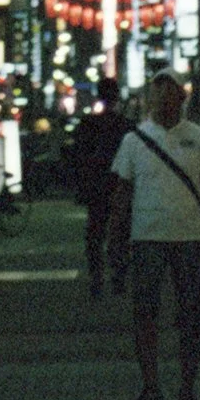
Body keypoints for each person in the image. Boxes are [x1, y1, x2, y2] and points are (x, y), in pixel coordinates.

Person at [109, 74, 200, 400]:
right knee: (145, 314)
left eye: (170, 97)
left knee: (190, 315)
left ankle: (187, 390)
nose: (163, 104)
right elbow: (123, 193)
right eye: (157, 97)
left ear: (182, 99)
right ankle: (151, 387)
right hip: (147, 237)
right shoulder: (134, 140)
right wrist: (115, 237)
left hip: (190, 236)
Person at [68, 74, 130, 301]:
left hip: (96, 186)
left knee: (95, 233)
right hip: (119, 185)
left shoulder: (87, 124)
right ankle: (119, 276)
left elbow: (77, 156)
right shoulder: (125, 126)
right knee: (121, 232)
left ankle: (96, 277)